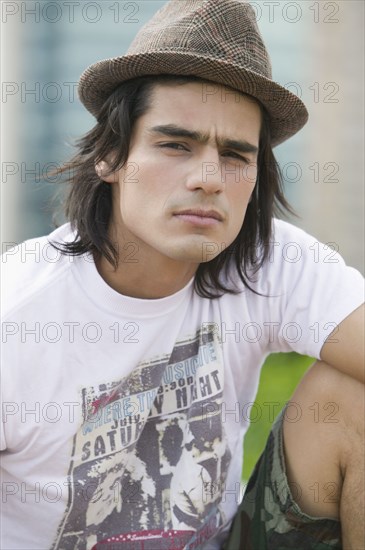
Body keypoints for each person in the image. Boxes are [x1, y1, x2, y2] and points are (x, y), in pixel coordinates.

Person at [1, 1, 364, 549]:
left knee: (350, 395)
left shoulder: (269, 261)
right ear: (112, 156)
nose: (210, 178)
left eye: (236, 155)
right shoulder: (18, 312)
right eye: (176, 144)